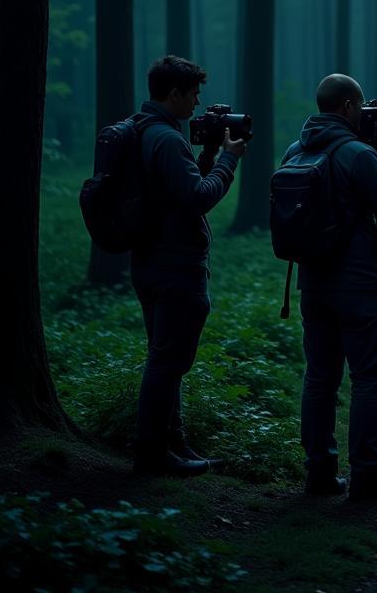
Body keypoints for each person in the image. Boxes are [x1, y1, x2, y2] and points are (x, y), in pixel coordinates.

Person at [289, 73, 377, 501]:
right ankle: (368, 475)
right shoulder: (357, 154)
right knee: (369, 378)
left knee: (320, 379)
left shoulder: (295, 150)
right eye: (361, 107)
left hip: (312, 283)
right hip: (360, 286)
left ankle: (320, 473)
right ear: (347, 107)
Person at [131, 54, 248, 477]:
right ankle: (151, 450)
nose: (198, 104)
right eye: (193, 95)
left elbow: (177, 192)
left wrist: (211, 152)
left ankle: (172, 441)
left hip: (147, 259)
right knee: (167, 361)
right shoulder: (166, 138)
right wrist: (229, 160)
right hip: (175, 265)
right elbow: (199, 198)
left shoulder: (143, 130)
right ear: (174, 93)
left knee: (164, 356)